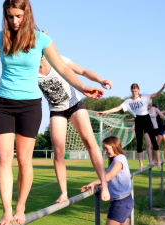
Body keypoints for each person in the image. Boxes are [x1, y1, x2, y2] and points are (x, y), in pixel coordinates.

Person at [0, 1, 106, 224]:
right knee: (4, 159)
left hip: (30, 106)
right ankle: (7, 211)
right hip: (3, 103)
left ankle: (21, 208)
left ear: (27, 14)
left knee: (25, 160)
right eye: (10, 16)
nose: (14, 21)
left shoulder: (41, 39)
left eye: (18, 16)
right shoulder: (0, 38)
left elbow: (63, 68)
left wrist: (83, 87)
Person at [38, 39, 112, 203]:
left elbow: (83, 71)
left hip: (74, 104)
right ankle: (63, 193)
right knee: (58, 152)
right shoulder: (30, 69)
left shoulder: (60, 60)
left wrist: (101, 80)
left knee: (90, 142)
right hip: (57, 110)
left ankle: (105, 185)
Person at [97, 83, 165, 170]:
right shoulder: (128, 102)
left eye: (136, 91)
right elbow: (117, 108)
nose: (134, 93)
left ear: (139, 90)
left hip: (146, 118)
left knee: (154, 140)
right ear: (131, 91)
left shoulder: (145, 97)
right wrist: (104, 112)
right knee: (139, 142)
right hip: (138, 119)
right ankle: (141, 165)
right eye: (133, 91)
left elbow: (157, 94)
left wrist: (163, 87)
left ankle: (159, 162)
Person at [81, 136, 134, 225]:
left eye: (106, 148)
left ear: (114, 146)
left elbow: (111, 175)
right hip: (124, 201)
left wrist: (94, 183)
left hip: (121, 203)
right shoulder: (117, 159)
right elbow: (112, 179)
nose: (105, 151)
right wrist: (101, 185)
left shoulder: (119, 159)